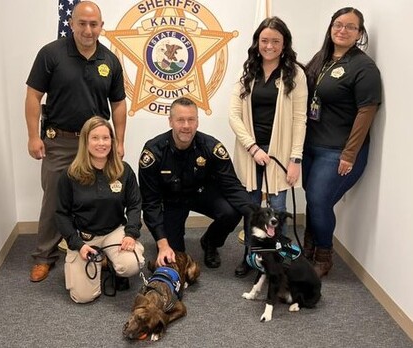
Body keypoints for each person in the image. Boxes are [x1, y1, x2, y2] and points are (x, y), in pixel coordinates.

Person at [25, 1, 127, 282]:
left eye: (94, 24)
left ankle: (102, 250)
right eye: (82, 23)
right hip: (60, 142)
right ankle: (44, 256)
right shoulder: (51, 54)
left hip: (97, 144)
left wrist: (118, 141)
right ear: (71, 24)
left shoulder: (109, 60)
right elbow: (33, 96)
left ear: (101, 27)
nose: (88, 30)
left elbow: (118, 104)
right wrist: (34, 136)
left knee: (100, 198)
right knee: (54, 199)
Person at [303, 7, 381, 277]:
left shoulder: (363, 67)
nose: (342, 30)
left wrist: (349, 154)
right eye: (338, 24)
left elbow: (366, 111)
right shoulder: (322, 57)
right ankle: (308, 249)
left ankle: (324, 255)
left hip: (338, 150)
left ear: (359, 33)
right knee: (314, 201)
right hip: (311, 145)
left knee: (318, 200)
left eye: (350, 26)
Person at [229, 17, 307, 277]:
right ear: (257, 43)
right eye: (264, 40)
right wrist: (253, 148)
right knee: (251, 211)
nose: (269, 45)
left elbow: (299, 119)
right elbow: (234, 115)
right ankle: (250, 257)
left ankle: (276, 262)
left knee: (278, 211)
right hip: (250, 153)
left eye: (275, 41)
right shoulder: (248, 72)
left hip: (281, 156)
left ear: (284, 44)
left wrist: (295, 159)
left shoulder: (295, 74)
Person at [138, 97, 251, 269]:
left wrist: (256, 213)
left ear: (197, 122)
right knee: (176, 257)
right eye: (180, 120)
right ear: (170, 122)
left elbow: (232, 186)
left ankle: (210, 242)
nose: (186, 125)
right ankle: (169, 240)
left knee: (231, 211)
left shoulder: (211, 147)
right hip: (172, 202)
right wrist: (162, 243)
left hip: (201, 194)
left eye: (191, 119)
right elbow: (150, 203)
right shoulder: (154, 152)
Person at [55, 116, 144, 303]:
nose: (101, 143)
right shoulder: (70, 174)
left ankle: (112, 263)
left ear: (112, 141)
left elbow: (135, 205)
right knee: (82, 297)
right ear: (85, 142)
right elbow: (61, 214)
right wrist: (77, 244)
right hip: (84, 237)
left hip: (114, 232)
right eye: (95, 138)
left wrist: (131, 234)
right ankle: (101, 261)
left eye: (106, 138)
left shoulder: (124, 170)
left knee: (131, 265)